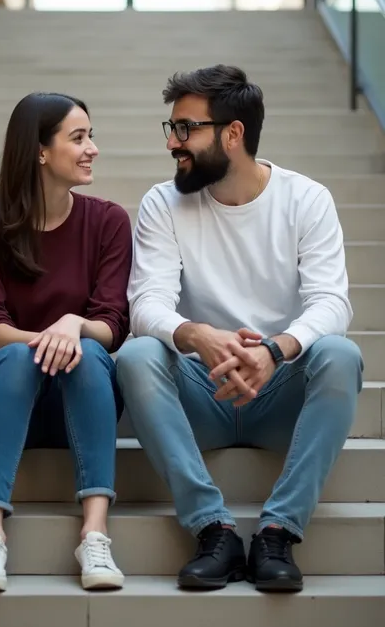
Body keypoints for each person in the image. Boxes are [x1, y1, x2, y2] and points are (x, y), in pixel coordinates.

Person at [116, 65, 363, 593]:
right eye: (171, 128)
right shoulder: (164, 203)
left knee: (340, 355)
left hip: (280, 398)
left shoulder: (306, 199)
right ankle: (213, 529)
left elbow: (331, 302)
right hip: (200, 396)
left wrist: (276, 350)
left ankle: (277, 530)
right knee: (136, 357)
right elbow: (146, 303)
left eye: (187, 130)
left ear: (234, 133)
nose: (173, 144)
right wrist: (198, 336)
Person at [0, 92, 132, 593]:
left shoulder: (108, 222)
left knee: (92, 349)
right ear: (39, 151)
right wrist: (45, 339)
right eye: (78, 138)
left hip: (76, 398)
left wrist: (73, 323)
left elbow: (114, 322)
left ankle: (94, 535)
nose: (92, 148)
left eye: (91, 136)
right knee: (15, 355)